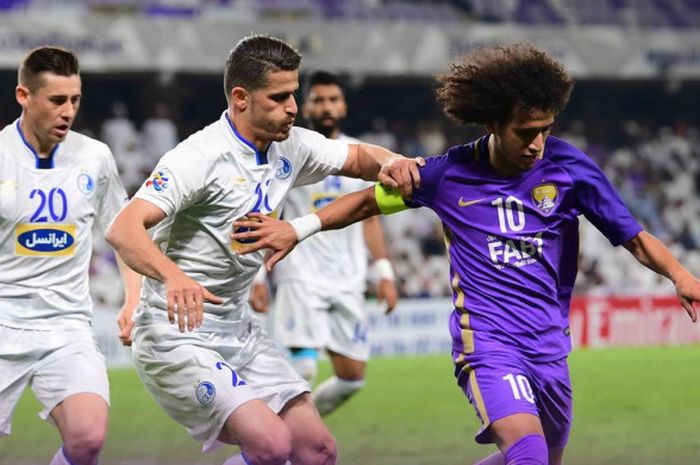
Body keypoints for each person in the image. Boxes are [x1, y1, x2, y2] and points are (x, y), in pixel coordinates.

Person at [231, 43, 700, 465]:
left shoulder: (570, 167)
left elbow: (634, 237)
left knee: (543, 458)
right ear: (494, 124)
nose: (537, 143)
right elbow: (368, 201)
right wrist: (298, 227)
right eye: (525, 131)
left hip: (550, 346)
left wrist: (680, 274)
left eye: (546, 129)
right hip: (488, 343)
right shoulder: (446, 174)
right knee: (529, 455)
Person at [105, 35, 419, 465]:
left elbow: (359, 156)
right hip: (175, 334)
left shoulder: (289, 145)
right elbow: (123, 228)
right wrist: (172, 276)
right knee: (271, 445)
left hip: (239, 329)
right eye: (280, 97)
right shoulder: (199, 157)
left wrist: (393, 163)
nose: (294, 106)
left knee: (318, 451)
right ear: (240, 98)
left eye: (294, 93)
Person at [0, 46, 141, 465]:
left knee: (87, 439)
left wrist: (133, 298)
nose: (68, 111)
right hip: (3, 321)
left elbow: (124, 232)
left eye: (75, 100)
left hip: (66, 327)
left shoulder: (95, 157)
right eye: (57, 100)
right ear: (24, 96)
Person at [251, 70, 399, 416]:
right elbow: (266, 216)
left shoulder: (358, 156)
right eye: (318, 100)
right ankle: (286, 444)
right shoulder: (288, 155)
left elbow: (370, 217)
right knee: (301, 370)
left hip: (348, 279)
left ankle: (293, 430)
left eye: (333, 99)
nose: (327, 106)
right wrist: (258, 278)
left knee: (352, 378)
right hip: (300, 276)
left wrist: (384, 273)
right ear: (306, 108)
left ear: (344, 106)